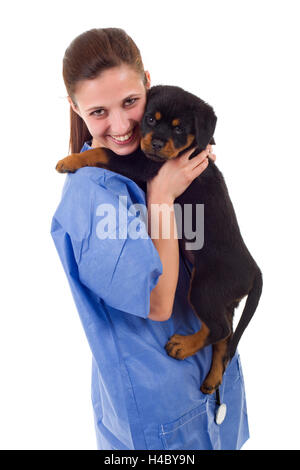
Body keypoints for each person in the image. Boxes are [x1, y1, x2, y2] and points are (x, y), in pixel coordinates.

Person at [51, 27, 249, 450]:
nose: (121, 125)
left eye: (130, 102)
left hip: (215, 391)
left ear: (148, 86)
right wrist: (161, 194)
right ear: (74, 108)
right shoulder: (92, 195)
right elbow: (158, 302)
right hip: (159, 415)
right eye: (98, 111)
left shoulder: (161, 156)